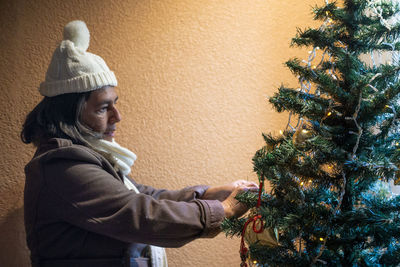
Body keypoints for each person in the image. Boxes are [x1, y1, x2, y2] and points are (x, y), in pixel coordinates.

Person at [21, 20, 258, 267]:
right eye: (104, 108)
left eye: (115, 103)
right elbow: (142, 214)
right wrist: (225, 209)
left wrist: (209, 193)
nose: (117, 116)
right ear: (69, 114)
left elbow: (144, 195)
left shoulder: (84, 157)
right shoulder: (63, 167)